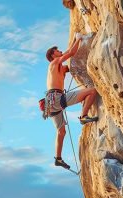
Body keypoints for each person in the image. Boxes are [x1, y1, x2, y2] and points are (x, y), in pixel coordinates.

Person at [45, 33, 98, 169]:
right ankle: (84, 116)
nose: (60, 51)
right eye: (57, 51)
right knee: (92, 91)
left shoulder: (60, 68)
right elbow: (71, 52)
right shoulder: (54, 62)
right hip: (56, 98)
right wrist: (78, 38)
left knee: (61, 132)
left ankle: (58, 158)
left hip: (50, 104)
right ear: (52, 55)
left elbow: (73, 64)